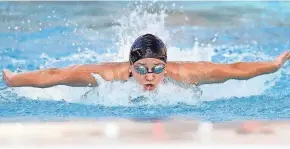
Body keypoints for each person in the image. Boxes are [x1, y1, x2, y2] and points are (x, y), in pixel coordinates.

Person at [2, 34, 290, 91]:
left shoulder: (186, 74)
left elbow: (234, 70)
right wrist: (14, 80)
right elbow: (56, 75)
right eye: (141, 69)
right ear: (130, 67)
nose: (149, 76)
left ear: (167, 65)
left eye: (157, 69)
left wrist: (274, 64)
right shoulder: (110, 76)